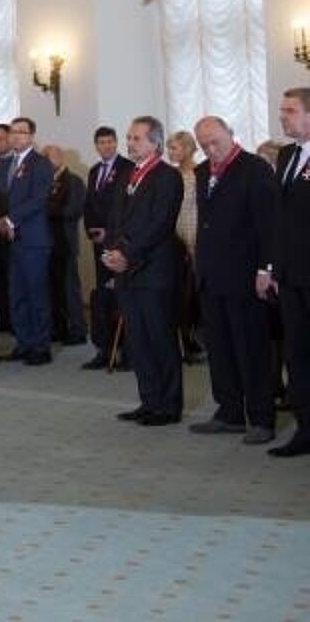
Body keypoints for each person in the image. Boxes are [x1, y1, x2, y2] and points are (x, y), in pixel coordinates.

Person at [188, 116, 277, 444]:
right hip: (211, 274)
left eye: (216, 142)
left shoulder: (255, 168)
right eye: (204, 145)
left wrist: (266, 269)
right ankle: (229, 412)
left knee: (251, 348)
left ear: (230, 134)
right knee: (220, 348)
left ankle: (261, 418)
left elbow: (269, 224)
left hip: (245, 275)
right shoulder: (201, 172)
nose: (211, 149)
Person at [103, 116, 185, 427]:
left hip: (154, 270)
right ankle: (149, 400)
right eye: (129, 137)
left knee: (160, 338)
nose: (130, 143)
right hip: (126, 271)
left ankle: (168, 406)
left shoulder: (167, 176)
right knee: (138, 340)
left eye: (136, 138)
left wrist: (128, 254)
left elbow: (160, 223)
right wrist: (113, 252)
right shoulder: (128, 173)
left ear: (155, 142)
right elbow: (115, 219)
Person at [264, 88, 310, 457]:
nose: (283, 117)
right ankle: (305, 429)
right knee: (297, 354)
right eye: (282, 111)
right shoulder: (287, 155)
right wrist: (272, 268)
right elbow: (278, 219)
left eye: (290, 111)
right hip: (291, 277)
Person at [0, 117, 55, 365]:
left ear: (31, 136)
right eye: (13, 132)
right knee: (17, 294)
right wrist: (2, 221)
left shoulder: (40, 163)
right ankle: (23, 343)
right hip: (10, 240)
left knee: (36, 293)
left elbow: (39, 198)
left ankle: (41, 347)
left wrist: (11, 220)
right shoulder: (4, 164)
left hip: (33, 239)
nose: (16, 136)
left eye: (22, 132)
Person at [83, 125, 134, 370]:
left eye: (110, 141)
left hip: (120, 242)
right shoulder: (94, 171)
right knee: (103, 295)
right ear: (96, 145)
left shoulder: (128, 167)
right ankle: (105, 349)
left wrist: (110, 232)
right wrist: (91, 230)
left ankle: (127, 351)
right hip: (99, 243)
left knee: (123, 295)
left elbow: (125, 207)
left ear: (116, 143)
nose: (106, 146)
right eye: (101, 142)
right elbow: (89, 205)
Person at [42, 145, 88, 346]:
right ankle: (57, 328)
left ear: (60, 158)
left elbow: (75, 210)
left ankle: (77, 329)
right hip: (46, 243)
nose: (46, 161)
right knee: (51, 288)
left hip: (66, 242)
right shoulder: (42, 181)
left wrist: (47, 210)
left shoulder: (74, 181)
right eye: (44, 158)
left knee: (70, 288)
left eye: (50, 157)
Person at [167, 129, 206, 365]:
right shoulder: (171, 175)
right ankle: (184, 342)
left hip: (193, 242)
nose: (170, 152)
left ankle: (194, 341)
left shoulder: (197, 174)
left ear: (188, 148)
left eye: (174, 148)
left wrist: (192, 245)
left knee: (192, 296)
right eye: (169, 148)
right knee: (180, 296)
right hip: (173, 242)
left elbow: (196, 212)